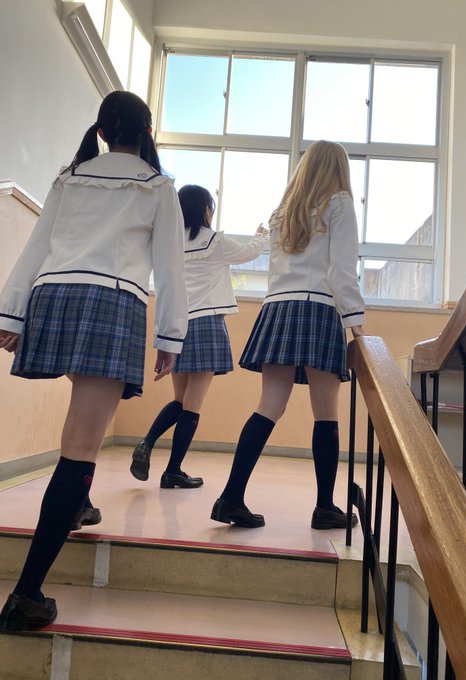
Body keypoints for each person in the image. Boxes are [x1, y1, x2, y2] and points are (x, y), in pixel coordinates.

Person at [0, 91, 187, 631]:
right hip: (111, 300)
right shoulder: (157, 186)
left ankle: (76, 505)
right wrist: (170, 336)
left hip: (54, 295)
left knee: (81, 429)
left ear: (102, 132)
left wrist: (11, 313)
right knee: (81, 446)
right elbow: (169, 268)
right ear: (146, 133)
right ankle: (25, 596)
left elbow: (38, 246)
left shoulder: (70, 177)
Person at [210, 140, 365, 530]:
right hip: (318, 308)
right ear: (339, 169)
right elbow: (341, 271)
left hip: (278, 308)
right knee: (325, 412)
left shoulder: (283, 212)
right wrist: (357, 326)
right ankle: (325, 507)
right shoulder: (340, 203)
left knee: (268, 406)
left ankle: (231, 497)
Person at [130, 184, 268, 488]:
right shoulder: (215, 241)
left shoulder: (170, 243)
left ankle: (147, 442)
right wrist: (260, 235)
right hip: (207, 325)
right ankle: (173, 470)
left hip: (177, 326)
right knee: (192, 405)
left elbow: (164, 287)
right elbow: (249, 253)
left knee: (180, 400)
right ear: (206, 209)